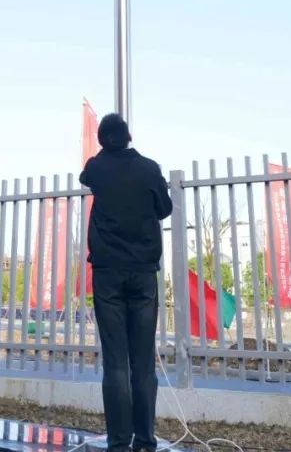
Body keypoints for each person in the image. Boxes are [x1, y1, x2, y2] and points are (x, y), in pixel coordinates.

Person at [80, 114, 172, 452]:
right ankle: (145, 440)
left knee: (116, 361)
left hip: (107, 274)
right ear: (129, 136)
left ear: (102, 139)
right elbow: (164, 209)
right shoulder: (149, 168)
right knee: (143, 361)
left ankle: (119, 442)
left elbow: (85, 176)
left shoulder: (97, 167)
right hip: (143, 272)